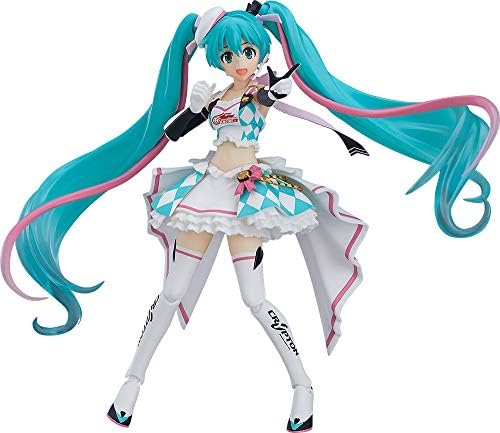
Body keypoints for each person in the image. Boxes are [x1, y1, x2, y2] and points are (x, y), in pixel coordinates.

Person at [2, 2, 496, 431]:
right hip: (205, 195)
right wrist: (190, 111)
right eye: (229, 56)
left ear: (260, 53)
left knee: (254, 299)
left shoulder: (260, 89)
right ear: (216, 58)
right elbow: (171, 133)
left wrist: (298, 104)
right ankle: (131, 381)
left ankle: (302, 386)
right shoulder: (216, 97)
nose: (240, 62)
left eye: (248, 52)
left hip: (247, 200)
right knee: (171, 291)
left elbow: (275, 98)